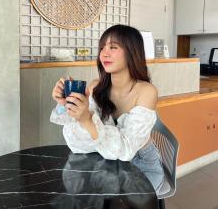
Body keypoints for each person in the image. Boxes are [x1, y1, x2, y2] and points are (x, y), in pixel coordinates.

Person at [51, 24, 164, 194]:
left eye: (113, 47)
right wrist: (66, 104)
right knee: (80, 194)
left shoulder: (146, 91)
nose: (104, 53)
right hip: (107, 159)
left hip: (141, 164)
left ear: (132, 51)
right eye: (102, 47)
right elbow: (78, 143)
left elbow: (126, 150)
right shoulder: (96, 86)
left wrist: (87, 120)